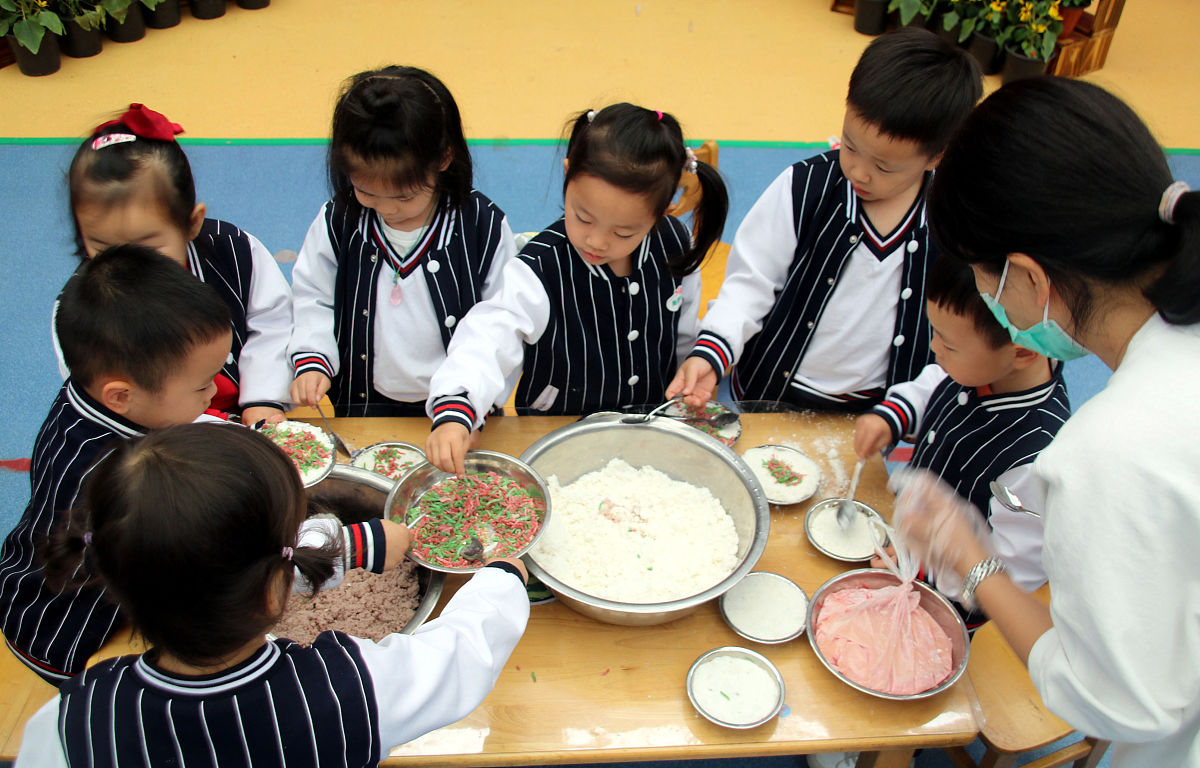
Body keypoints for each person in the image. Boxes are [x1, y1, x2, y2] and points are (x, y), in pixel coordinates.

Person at [892, 78, 1200, 766]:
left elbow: (1114, 700)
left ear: (1028, 278)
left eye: (982, 283)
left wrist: (972, 561)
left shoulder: (1113, 451)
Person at [16, 423, 530, 766]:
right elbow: (461, 653)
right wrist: (502, 580)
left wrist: (355, 546)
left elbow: (236, 563)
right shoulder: (344, 690)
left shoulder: (72, 719)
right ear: (272, 595)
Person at [667, 28, 981, 412]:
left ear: (936, 157)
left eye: (883, 166)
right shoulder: (804, 188)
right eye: (850, 145)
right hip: (770, 391)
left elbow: (961, 328)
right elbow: (750, 284)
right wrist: (712, 351)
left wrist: (905, 410)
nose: (859, 172)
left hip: (872, 410)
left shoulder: (951, 221)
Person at [424, 103, 729, 474]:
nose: (596, 241)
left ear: (660, 211)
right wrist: (457, 408)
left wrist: (692, 371)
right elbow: (488, 337)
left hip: (648, 434)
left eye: (624, 232)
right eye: (583, 217)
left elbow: (683, 332)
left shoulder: (674, 245)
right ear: (568, 174)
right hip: (558, 436)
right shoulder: (539, 268)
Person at [289, 65, 517, 417]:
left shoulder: (481, 227)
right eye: (366, 192)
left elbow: (502, 320)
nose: (387, 209)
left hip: (461, 405)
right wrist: (312, 357)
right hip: (364, 403)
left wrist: (468, 400)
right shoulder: (339, 220)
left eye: (405, 196)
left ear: (443, 158)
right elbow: (313, 295)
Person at [854, 256, 1070, 620]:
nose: (935, 347)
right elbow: (936, 381)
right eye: (935, 331)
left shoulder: (1034, 458)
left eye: (949, 344)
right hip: (903, 541)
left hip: (942, 604)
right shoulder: (978, 368)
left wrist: (924, 566)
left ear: (1023, 351)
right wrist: (893, 417)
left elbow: (1012, 574)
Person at [63, 103, 294, 426]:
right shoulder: (83, 308)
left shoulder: (234, 251)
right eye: (103, 247)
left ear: (191, 223)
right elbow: (111, 395)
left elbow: (273, 321)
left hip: (250, 410)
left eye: (147, 245)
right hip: (163, 431)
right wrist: (210, 429)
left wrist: (263, 398)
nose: (128, 263)